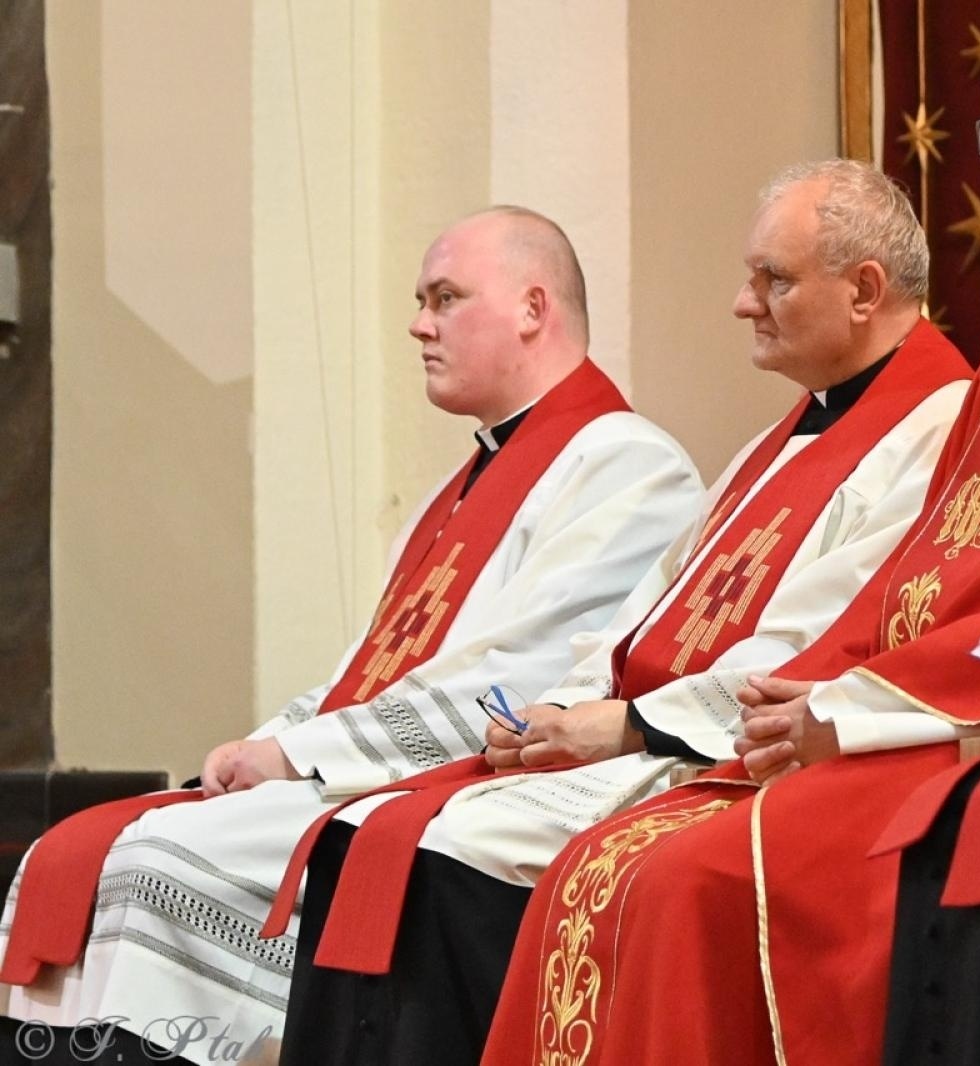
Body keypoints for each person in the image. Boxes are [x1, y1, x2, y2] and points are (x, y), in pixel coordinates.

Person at [480, 40, 980, 1066]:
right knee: (607, 862)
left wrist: (847, 708)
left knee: (683, 877)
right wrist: (809, 689)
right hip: (925, 715)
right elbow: (924, 583)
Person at [267, 160, 972, 1066]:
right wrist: (559, 710)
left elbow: (819, 642)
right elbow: (652, 611)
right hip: (644, 738)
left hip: (724, 757)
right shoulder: (778, 439)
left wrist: (630, 726)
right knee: (366, 832)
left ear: (865, 290)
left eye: (773, 279)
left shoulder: (937, 427)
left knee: (451, 850)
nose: (742, 303)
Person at [0, 207, 704, 1065]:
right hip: (376, 769)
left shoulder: (628, 464)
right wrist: (268, 743)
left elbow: (519, 677)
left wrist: (298, 758)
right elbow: (369, 670)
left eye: (445, 297)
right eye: (420, 299)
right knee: (74, 853)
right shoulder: (461, 484)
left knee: (151, 861)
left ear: (531, 307)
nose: (418, 323)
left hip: (462, 783)